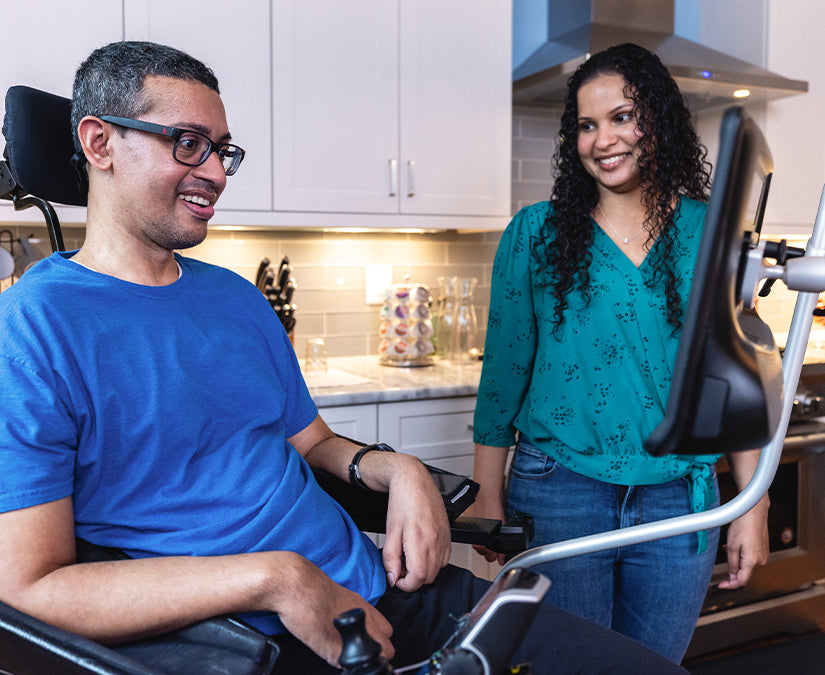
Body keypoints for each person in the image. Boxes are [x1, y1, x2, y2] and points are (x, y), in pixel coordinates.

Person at [0, 40, 689, 673]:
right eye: (187, 144)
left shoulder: (233, 297)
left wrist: (399, 468)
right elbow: (31, 587)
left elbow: (314, 440)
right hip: (254, 638)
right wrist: (277, 577)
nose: (214, 172)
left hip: (386, 583)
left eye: (222, 149)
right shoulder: (36, 324)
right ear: (100, 143)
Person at [470, 43, 770, 664]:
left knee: (654, 666)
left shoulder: (711, 229)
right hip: (559, 489)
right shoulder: (537, 231)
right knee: (567, 664)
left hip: (677, 499)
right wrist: (487, 493)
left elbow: (735, 375)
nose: (602, 139)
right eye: (586, 124)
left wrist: (752, 504)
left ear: (657, 121)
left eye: (622, 117)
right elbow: (504, 373)